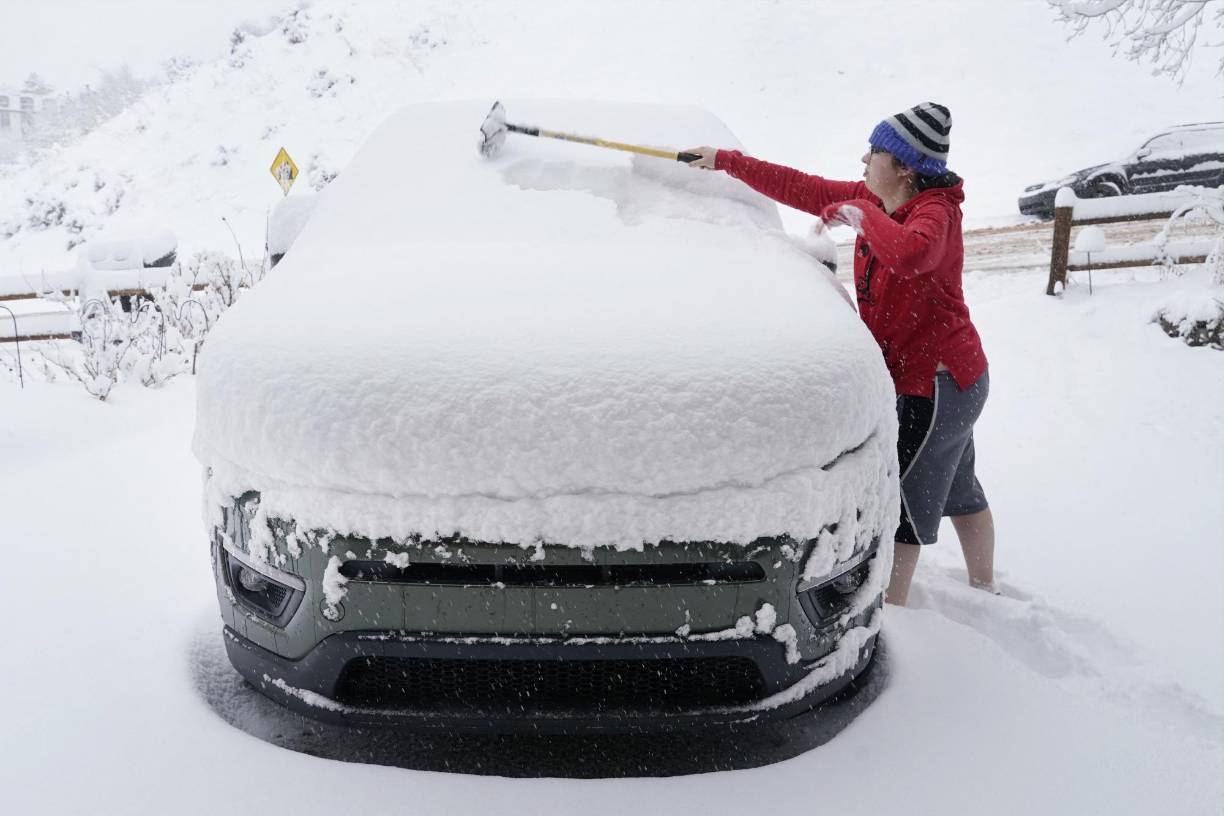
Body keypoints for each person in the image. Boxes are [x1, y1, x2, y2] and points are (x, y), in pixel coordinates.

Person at [684, 103, 995, 606]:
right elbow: (802, 188)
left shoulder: (935, 214)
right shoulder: (876, 197)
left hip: (936, 386)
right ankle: (986, 586)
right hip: (955, 379)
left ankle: (897, 613)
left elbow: (911, 254)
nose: (864, 160)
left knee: (905, 508)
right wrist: (726, 161)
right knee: (959, 486)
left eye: (875, 152)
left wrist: (860, 215)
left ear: (904, 166)